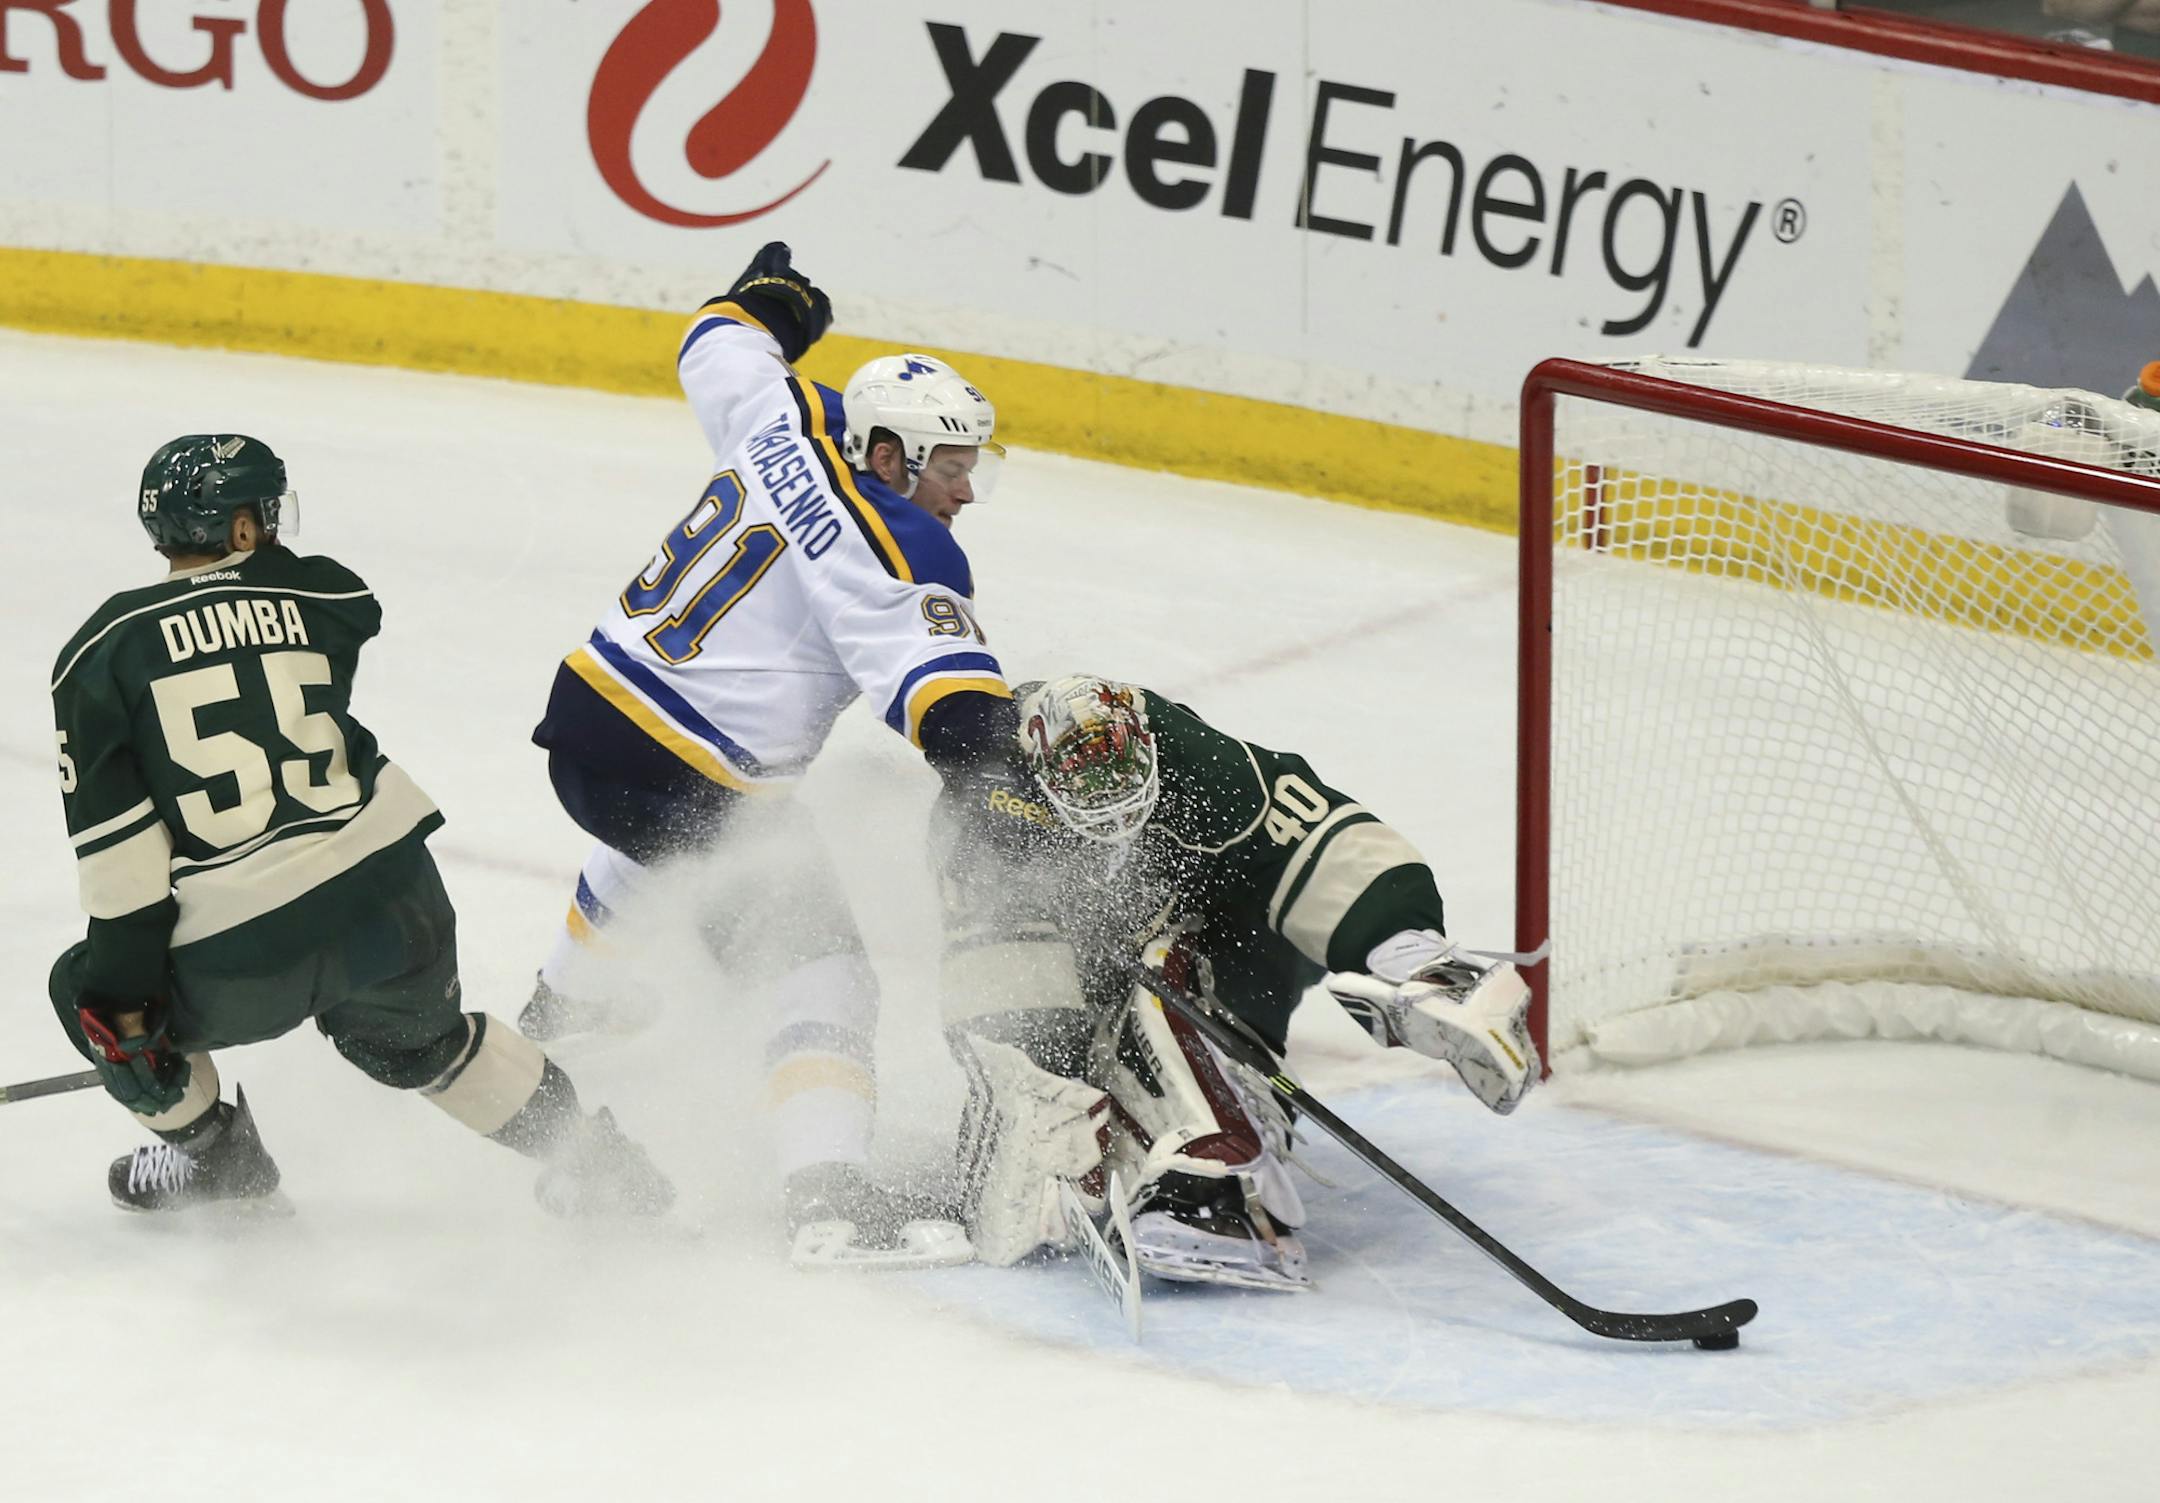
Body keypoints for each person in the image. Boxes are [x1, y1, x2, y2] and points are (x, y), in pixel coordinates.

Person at [521, 242, 1018, 1267]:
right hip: (687, 777)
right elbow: (955, 713)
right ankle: (828, 1201)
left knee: (679, 836)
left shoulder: (792, 414)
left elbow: (718, 341)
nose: (964, 491)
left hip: (585, 722)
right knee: (822, 970)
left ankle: (566, 1001)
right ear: (889, 457)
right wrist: (1013, 785)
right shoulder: (899, 547)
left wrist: (772, 308)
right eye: (951, 466)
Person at [48, 434, 672, 1216]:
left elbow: (124, 865)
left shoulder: (99, 653)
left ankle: (219, 1159)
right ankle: (599, 1163)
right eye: (263, 514)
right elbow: (338, 597)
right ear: (241, 530)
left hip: (240, 950)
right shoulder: (326, 599)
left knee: (86, 989)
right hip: (391, 899)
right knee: (422, 1043)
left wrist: (128, 1021)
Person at [937, 675, 1536, 1290]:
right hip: (1075, 958)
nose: (1112, 807)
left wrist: (1412, 955)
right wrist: (1040, 1078)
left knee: (1174, 972)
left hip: (1213, 941)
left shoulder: (1194, 763)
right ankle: (1115, 1138)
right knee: (1033, 1083)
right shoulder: (989, 791)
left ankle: (1227, 1162)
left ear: (1144, 743)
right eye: (1088, 788)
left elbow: (1320, 841)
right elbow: (987, 955)